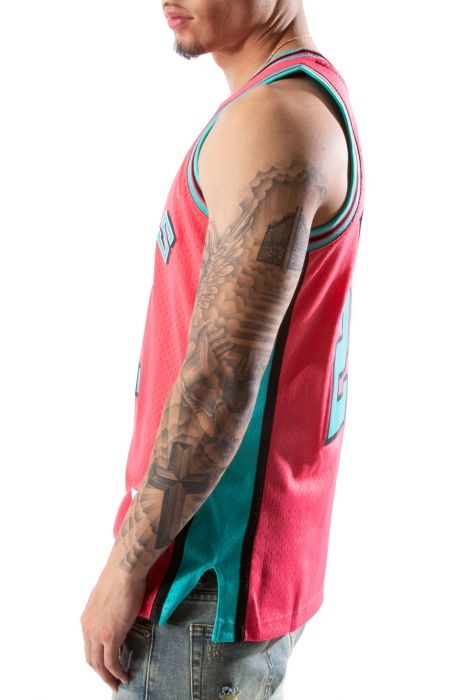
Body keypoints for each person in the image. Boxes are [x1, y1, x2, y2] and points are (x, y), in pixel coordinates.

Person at [80, 0, 365, 697]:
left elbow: (218, 382)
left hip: (203, 583)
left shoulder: (274, 122)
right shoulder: (288, 104)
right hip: (226, 573)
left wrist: (124, 568)